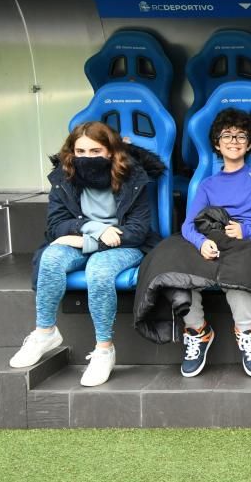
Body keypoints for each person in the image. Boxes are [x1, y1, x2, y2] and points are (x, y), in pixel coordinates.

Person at [10, 122, 165, 387]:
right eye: (80, 151)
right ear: (71, 152)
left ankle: (104, 349)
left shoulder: (133, 177)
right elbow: (56, 225)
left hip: (125, 245)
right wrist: (94, 230)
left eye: (95, 151)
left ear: (110, 151)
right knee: (51, 257)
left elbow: (137, 232)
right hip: (86, 238)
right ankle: (45, 332)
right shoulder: (63, 177)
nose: (87, 157)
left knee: (98, 269)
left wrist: (84, 240)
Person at [176, 109, 251, 378]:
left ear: (250, 143)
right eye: (227, 135)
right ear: (216, 143)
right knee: (175, 262)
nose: (234, 141)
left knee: (239, 267)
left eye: (241, 136)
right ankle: (197, 332)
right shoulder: (207, 185)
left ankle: (247, 334)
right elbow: (189, 225)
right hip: (213, 241)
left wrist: (246, 230)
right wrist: (200, 243)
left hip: (247, 243)